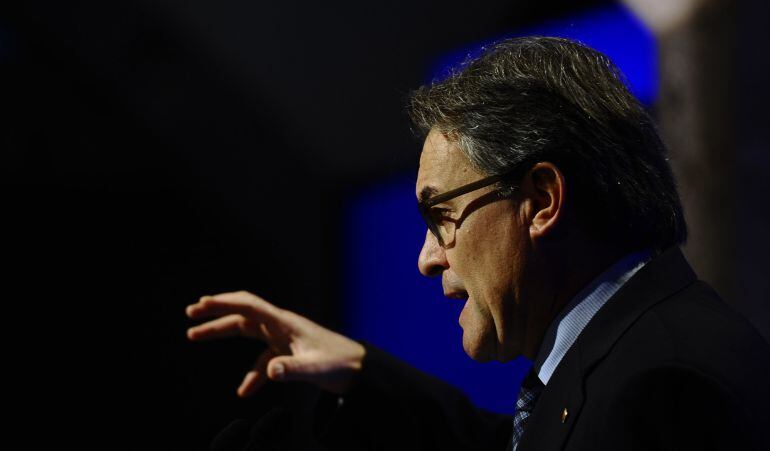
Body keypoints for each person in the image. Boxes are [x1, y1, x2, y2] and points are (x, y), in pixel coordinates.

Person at [186, 37, 770, 450]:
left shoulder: (660, 388)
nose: (426, 258)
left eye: (441, 214)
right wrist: (361, 372)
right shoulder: (625, 357)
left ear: (542, 200)